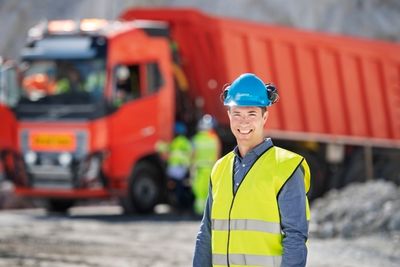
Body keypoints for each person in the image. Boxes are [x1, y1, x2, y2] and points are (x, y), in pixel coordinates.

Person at [193, 73, 311, 267]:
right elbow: (206, 233)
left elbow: (295, 239)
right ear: (229, 115)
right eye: (237, 114)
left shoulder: (287, 168)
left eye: (252, 114)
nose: (243, 122)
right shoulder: (220, 168)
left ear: (265, 116)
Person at [191, 114, 221, 216]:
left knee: (199, 192)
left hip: (199, 169)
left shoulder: (196, 139)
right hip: (211, 169)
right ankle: (209, 212)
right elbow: (217, 155)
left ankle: (199, 210)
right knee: (210, 191)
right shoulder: (215, 139)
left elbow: (193, 155)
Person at [160, 122, 193, 212]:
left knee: (175, 188)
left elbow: (167, 154)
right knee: (180, 188)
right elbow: (191, 153)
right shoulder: (185, 141)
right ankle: (181, 206)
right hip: (181, 168)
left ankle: (178, 206)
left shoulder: (175, 141)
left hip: (175, 168)